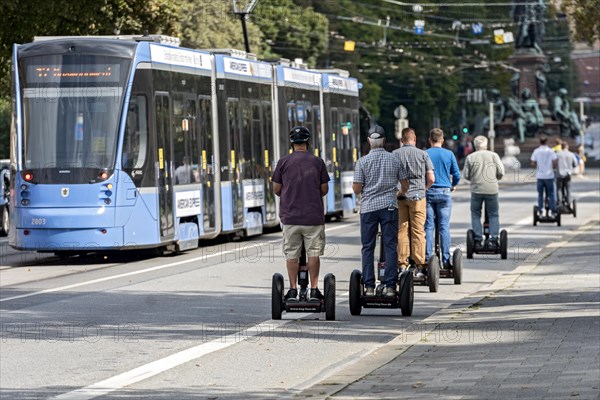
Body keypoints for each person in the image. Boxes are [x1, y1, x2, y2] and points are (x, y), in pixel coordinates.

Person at [272, 126, 330, 301]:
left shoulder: (283, 162)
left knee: (292, 254)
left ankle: (292, 290)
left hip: (291, 217)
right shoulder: (317, 162)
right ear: (307, 142)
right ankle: (313, 290)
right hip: (313, 217)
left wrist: (290, 194)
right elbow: (324, 189)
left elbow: (276, 189)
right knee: (313, 253)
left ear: (292, 143)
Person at [353, 125, 406, 297]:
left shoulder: (362, 162)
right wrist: (398, 194)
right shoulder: (395, 159)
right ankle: (390, 287)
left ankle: (368, 287)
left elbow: (356, 188)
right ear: (384, 141)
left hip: (368, 208)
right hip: (389, 206)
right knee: (391, 245)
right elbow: (405, 185)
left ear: (369, 141)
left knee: (368, 247)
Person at [393, 127, 435, 278]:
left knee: (401, 230)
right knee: (418, 231)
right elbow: (431, 179)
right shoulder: (423, 155)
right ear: (414, 139)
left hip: (399, 197)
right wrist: (424, 189)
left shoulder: (394, 155)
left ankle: (402, 265)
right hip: (418, 197)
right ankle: (420, 266)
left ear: (402, 140)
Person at [425, 128, 461, 269]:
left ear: (429, 140)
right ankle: (446, 260)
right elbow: (457, 174)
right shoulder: (449, 154)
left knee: (428, 227)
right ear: (442, 140)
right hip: (445, 192)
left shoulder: (425, 154)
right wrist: (453, 185)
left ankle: (427, 259)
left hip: (428, 193)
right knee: (444, 226)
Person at [462, 135, 505, 248]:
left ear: (475, 145)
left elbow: (466, 175)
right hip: (492, 189)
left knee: (476, 214)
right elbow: (501, 171)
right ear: (486, 145)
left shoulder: (470, 157)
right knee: (493, 214)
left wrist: (474, 178)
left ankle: (477, 239)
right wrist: (496, 178)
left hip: (477, 190)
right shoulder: (494, 156)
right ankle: (494, 239)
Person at [531, 134, 558, 217]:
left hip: (540, 176)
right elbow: (555, 161)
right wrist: (553, 167)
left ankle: (540, 211)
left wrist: (537, 166)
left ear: (540, 142)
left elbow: (532, 162)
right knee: (551, 194)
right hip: (549, 175)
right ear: (547, 141)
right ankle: (552, 211)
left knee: (540, 194)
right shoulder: (551, 151)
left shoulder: (536, 151)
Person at [555, 141, 578, 209]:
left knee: (559, 189)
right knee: (568, 189)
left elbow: (554, 163)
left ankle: (559, 203)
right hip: (568, 175)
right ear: (567, 147)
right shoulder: (571, 154)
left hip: (559, 174)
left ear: (561, 147)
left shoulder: (557, 154)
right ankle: (568, 203)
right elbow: (575, 164)